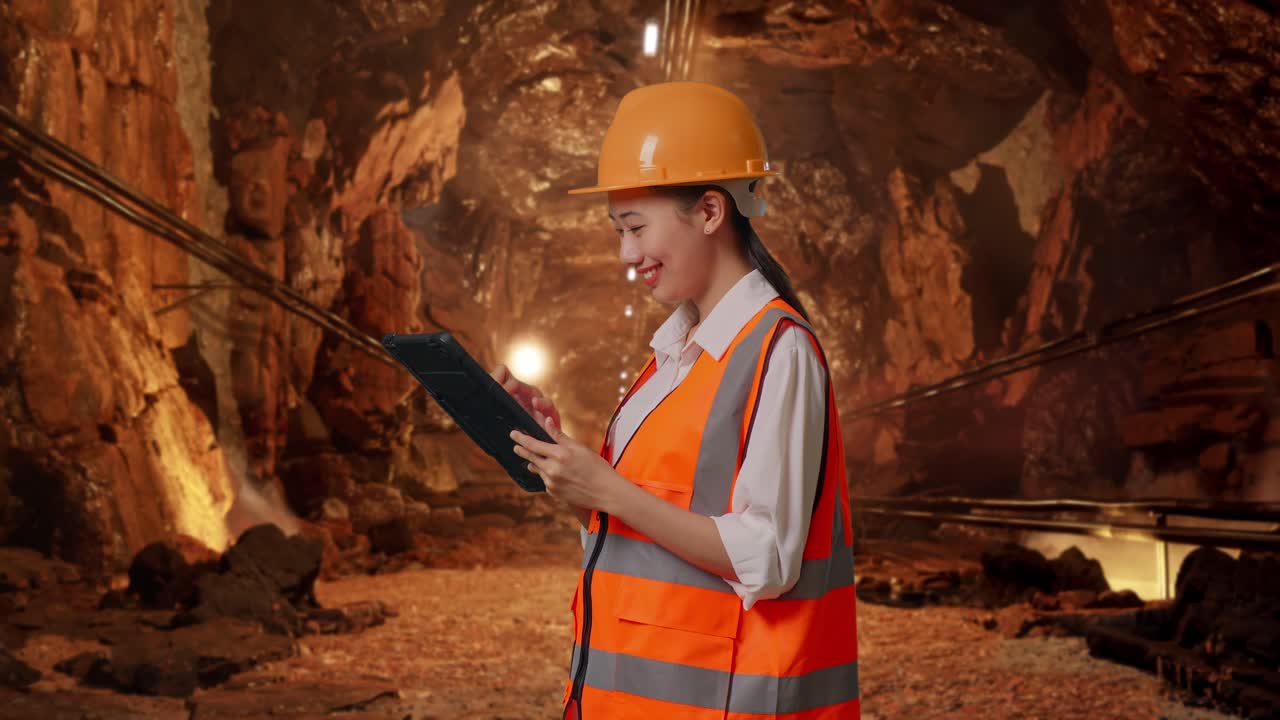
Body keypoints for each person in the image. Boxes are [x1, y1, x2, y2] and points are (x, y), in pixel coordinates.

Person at [496, 81, 859, 719]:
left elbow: (768, 558)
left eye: (635, 227)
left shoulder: (780, 351)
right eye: (619, 231)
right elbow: (642, 529)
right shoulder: (673, 357)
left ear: (711, 211)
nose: (626, 254)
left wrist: (606, 488)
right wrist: (571, 470)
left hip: (726, 701)